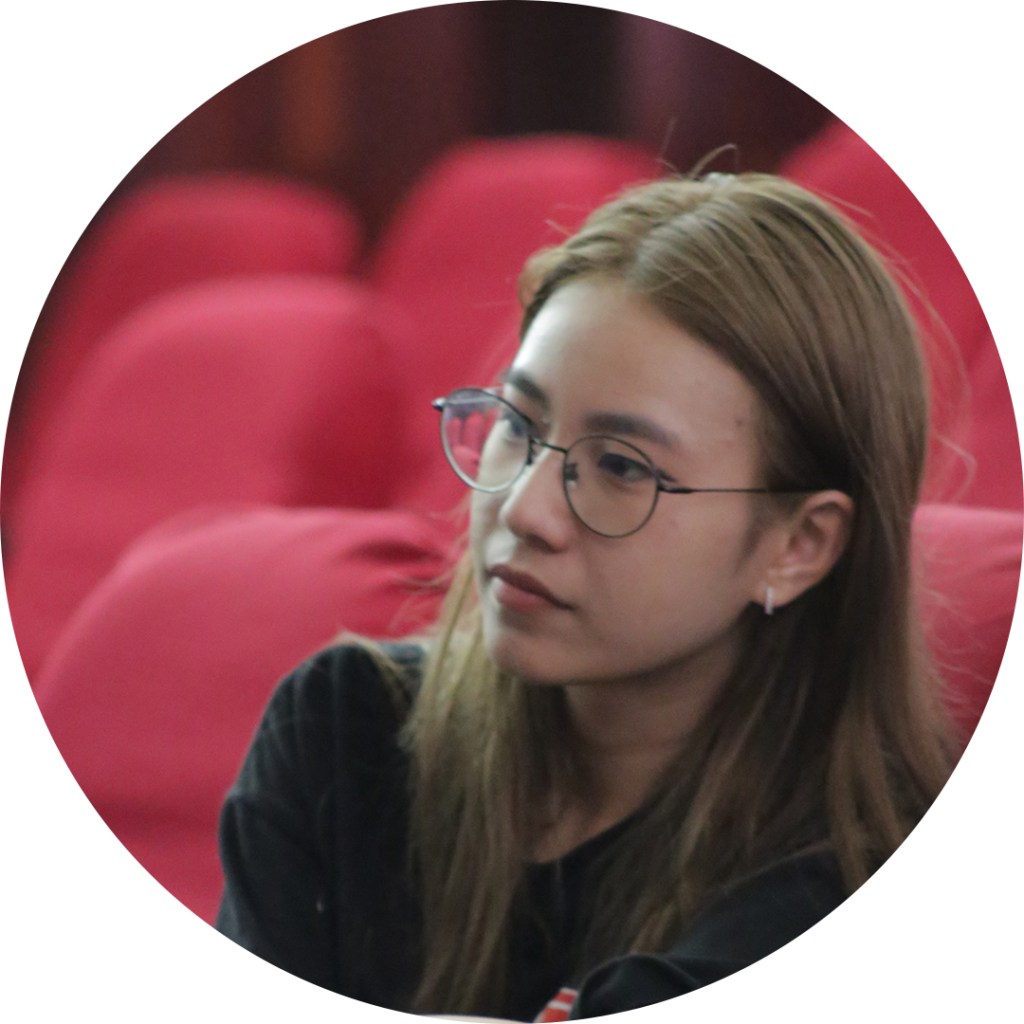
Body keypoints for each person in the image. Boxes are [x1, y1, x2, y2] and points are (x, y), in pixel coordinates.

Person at [215, 171, 957, 1019]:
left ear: (800, 546)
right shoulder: (347, 730)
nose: (523, 510)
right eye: (516, 426)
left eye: (622, 468)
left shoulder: (851, 891)